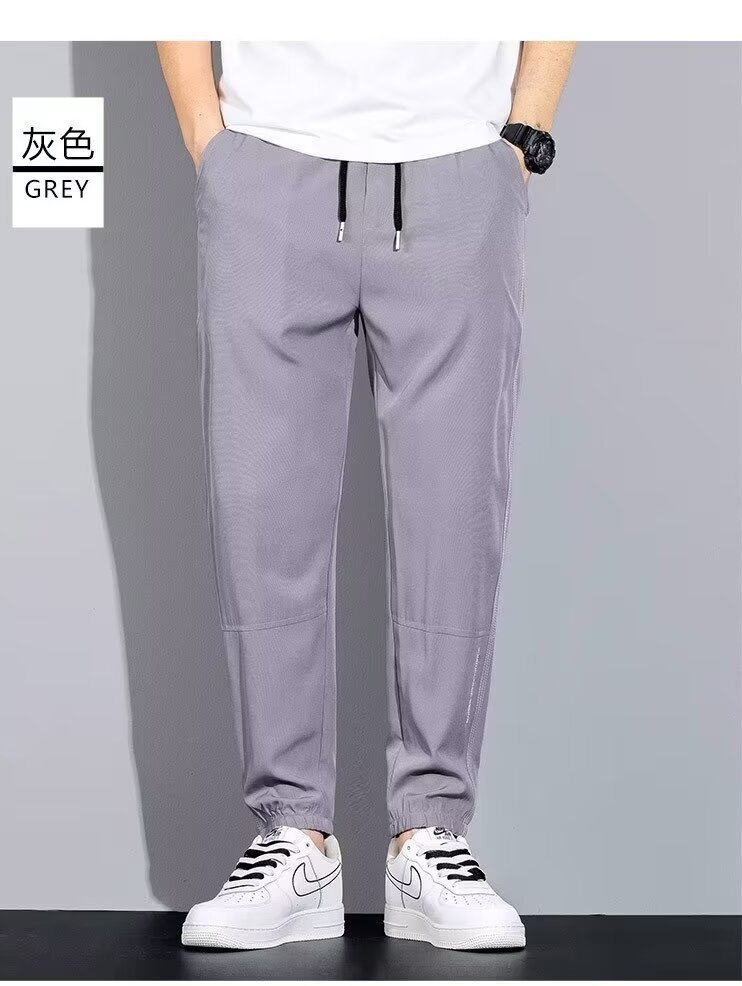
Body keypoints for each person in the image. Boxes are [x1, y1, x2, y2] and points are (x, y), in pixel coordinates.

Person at [157, 40, 575, 951]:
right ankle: (291, 838)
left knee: (455, 517)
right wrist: (207, 136)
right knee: (261, 513)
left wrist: (526, 130)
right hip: (268, 160)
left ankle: (432, 834)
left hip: (459, 159)